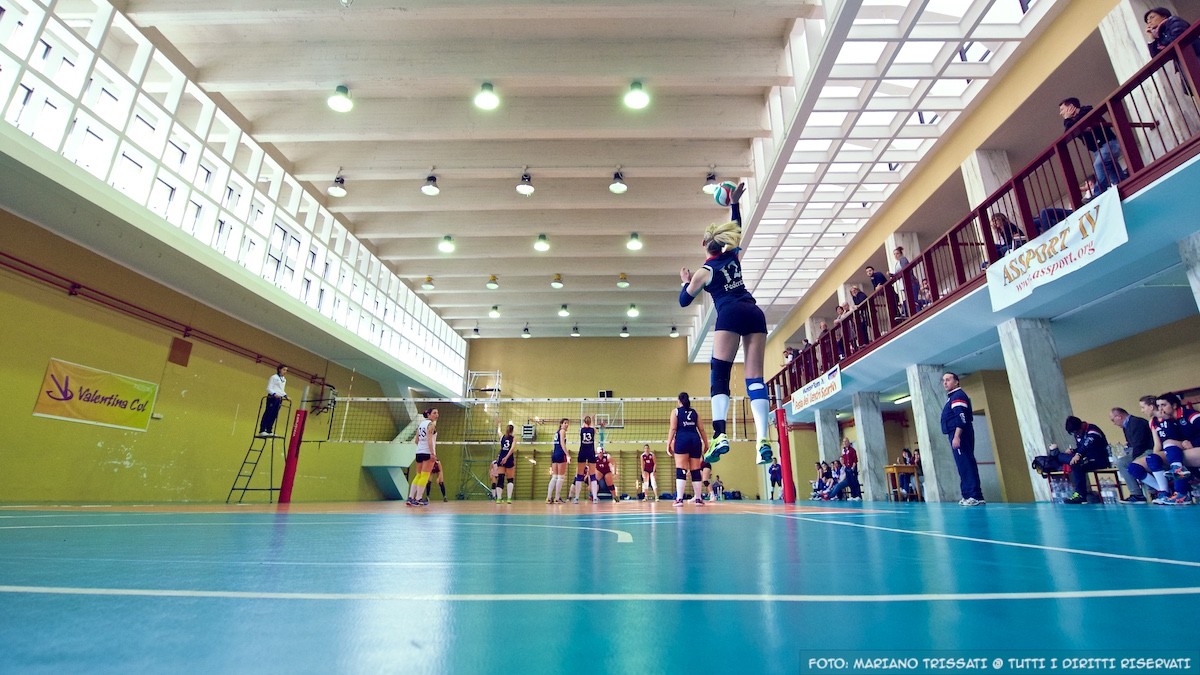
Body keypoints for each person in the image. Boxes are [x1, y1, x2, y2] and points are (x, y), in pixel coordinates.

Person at [678, 182, 772, 466]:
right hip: (754, 312)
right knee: (755, 378)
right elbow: (737, 226)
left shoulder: (703, 272)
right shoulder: (732, 256)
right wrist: (734, 203)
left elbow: (684, 300)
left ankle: (720, 434)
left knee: (720, 374)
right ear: (722, 244)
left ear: (704, 245)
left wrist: (685, 281)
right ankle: (763, 440)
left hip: (729, 313)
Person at [1058, 97, 1126, 194]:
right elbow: (1069, 132)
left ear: (1071, 107)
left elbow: (1078, 123)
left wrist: (1068, 120)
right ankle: (1122, 184)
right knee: (1112, 169)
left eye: (1062, 109)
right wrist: (1069, 121)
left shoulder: (1086, 111)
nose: (1061, 113)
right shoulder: (1072, 122)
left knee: (1099, 165)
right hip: (1098, 150)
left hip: (1108, 143)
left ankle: (1098, 193)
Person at [941, 372, 984, 506]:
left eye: (948, 380)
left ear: (956, 382)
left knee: (966, 463)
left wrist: (957, 436)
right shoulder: (952, 397)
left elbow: (961, 417)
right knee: (962, 465)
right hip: (954, 433)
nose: (945, 383)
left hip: (959, 433)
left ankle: (975, 496)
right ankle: (967, 494)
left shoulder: (958, 396)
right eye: (944, 381)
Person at [1152, 393, 1199, 505]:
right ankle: (1179, 492)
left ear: (1174, 406)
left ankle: (1181, 493)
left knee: (1173, 450)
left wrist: (1193, 442)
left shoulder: (1191, 415)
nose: (1160, 409)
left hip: (1196, 447)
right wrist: (1166, 420)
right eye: (1158, 406)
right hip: (1185, 449)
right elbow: (1170, 438)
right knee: (1161, 454)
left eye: (1163, 405)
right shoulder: (1168, 420)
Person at [667, 391, 709, 506]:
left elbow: (673, 428)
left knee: (681, 468)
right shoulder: (695, 412)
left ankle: (679, 499)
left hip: (682, 440)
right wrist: (706, 444)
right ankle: (698, 499)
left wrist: (668, 444)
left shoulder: (675, 412)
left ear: (679, 401)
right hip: (695, 440)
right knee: (695, 469)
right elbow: (702, 429)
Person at [1060, 416, 1111, 504]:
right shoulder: (1078, 434)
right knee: (1061, 456)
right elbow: (1080, 448)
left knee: (1077, 465)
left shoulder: (1092, 430)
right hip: (1086, 458)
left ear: (1080, 427)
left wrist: (1078, 454)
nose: (1076, 434)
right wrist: (1074, 451)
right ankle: (1080, 492)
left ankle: (1080, 494)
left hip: (1099, 459)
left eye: (1076, 432)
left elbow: (1087, 445)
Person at [1110, 407, 1154, 504]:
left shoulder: (1137, 423)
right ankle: (1137, 494)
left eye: (1113, 420)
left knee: (1134, 464)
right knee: (1121, 462)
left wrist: (1133, 458)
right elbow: (1132, 443)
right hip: (1139, 451)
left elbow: (1140, 444)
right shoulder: (1127, 426)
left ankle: (1153, 491)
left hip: (1148, 450)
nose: (1114, 423)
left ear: (1119, 417)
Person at [406, 407, 438, 507]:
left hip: (419, 452)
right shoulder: (431, 424)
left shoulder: (421, 424)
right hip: (427, 453)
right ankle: (418, 498)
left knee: (418, 475)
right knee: (424, 476)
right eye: (434, 413)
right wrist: (432, 453)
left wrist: (421, 447)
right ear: (428, 415)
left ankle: (410, 498)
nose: (436, 415)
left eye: (437, 413)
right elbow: (429, 439)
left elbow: (416, 440)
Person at [571, 415, 599, 503]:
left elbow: (582, 426)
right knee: (593, 475)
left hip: (582, 452)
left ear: (584, 422)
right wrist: (593, 420)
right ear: (590, 422)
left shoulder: (581, 429)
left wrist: (583, 419)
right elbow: (594, 428)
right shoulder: (593, 430)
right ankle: (594, 498)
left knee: (579, 475)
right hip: (591, 452)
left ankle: (576, 498)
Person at [258, 365, 288, 436]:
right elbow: (269, 388)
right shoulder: (274, 377)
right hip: (272, 397)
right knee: (268, 412)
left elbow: (281, 390)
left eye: (286, 370)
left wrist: (285, 396)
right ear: (279, 369)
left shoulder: (284, 379)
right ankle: (262, 430)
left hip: (279, 398)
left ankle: (269, 430)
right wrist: (274, 394)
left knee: (274, 414)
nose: (285, 372)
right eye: (284, 370)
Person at [546, 418, 570, 504]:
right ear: (561, 424)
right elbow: (562, 444)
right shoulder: (562, 431)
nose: (566, 425)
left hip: (554, 455)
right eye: (565, 423)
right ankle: (557, 498)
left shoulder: (557, 432)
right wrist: (567, 454)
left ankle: (549, 498)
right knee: (561, 477)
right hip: (560, 454)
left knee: (554, 477)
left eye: (567, 423)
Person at [497, 423, 517, 503]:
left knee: (500, 478)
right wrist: (507, 457)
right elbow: (512, 449)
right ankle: (509, 499)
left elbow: (498, 431)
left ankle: (499, 499)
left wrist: (499, 425)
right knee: (510, 479)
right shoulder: (514, 438)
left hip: (501, 457)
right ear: (513, 430)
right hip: (508, 459)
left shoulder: (502, 437)